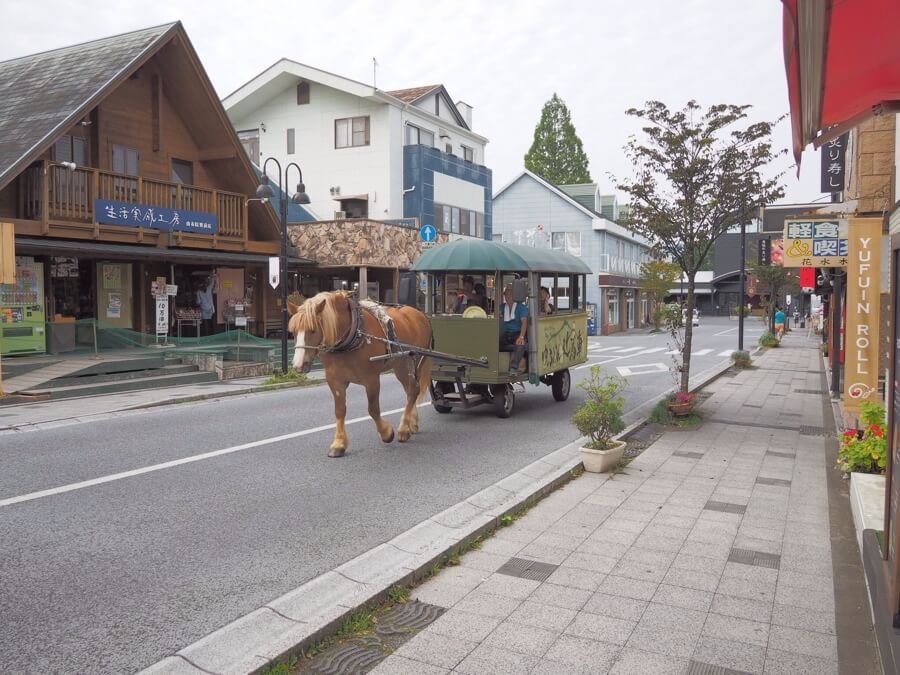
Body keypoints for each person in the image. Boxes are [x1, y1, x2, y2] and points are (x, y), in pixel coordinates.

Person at [499, 284, 528, 375]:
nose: (508, 296)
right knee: (493, 342)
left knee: (520, 344)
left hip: (517, 333)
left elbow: (524, 322)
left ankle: (514, 367)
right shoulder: (502, 307)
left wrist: (521, 337)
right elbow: (495, 316)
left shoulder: (521, 307)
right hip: (505, 334)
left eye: (510, 293)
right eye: (506, 294)